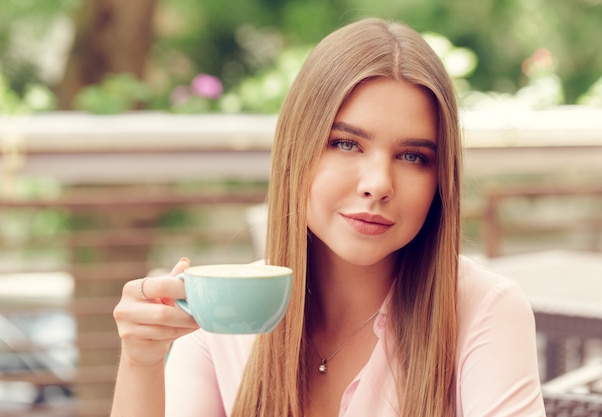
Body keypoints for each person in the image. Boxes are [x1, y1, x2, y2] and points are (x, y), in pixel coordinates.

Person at [111, 18, 546, 417]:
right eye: (346, 144)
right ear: (297, 149)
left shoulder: (484, 310)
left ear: (440, 181)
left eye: (413, 156)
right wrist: (140, 361)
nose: (378, 184)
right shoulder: (222, 318)